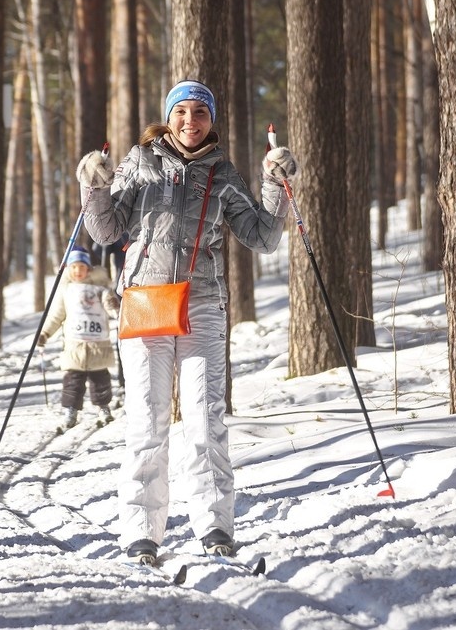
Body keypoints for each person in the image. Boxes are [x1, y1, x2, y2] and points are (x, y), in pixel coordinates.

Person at [74, 79, 298, 564]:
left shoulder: (222, 172)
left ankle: (215, 528)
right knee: (147, 421)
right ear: (169, 115)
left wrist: (275, 184)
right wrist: (94, 185)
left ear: (210, 120)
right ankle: (141, 533)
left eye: (200, 112)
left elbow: (262, 238)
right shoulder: (140, 162)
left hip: (202, 305)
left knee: (204, 421)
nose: (190, 120)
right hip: (146, 302)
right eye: (182, 111)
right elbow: (107, 230)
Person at [38, 246, 121, 431]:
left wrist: (114, 305)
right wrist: (44, 333)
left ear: (88, 269)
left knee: (101, 380)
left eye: (82, 267)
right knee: (72, 382)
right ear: (68, 269)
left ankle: (103, 408)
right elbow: (56, 316)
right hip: (75, 345)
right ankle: (71, 411)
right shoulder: (66, 290)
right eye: (74, 267)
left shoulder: (101, 289)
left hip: (98, 344)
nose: (78, 271)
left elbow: (112, 310)